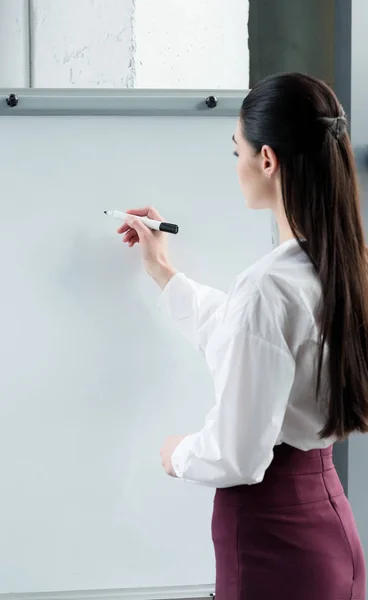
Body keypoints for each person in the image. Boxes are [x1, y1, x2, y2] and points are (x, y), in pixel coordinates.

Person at [116, 73, 367, 600]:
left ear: (268, 160)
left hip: (272, 539)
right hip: (328, 530)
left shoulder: (268, 287)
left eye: (238, 151)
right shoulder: (341, 267)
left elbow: (239, 455)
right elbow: (250, 339)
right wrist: (164, 273)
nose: (237, 167)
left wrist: (177, 453)